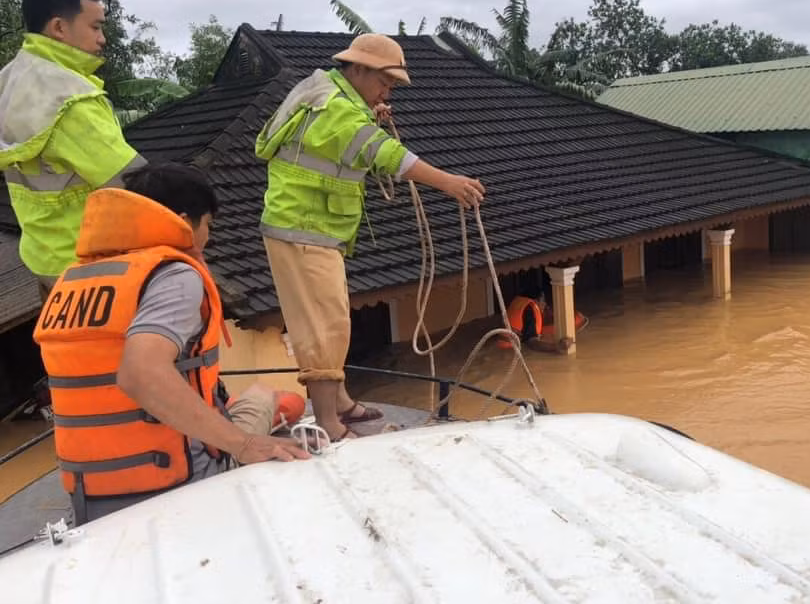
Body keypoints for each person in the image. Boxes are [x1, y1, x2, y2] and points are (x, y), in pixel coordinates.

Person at [33, 162, 309, 524]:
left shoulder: (75, 279)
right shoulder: (172, 275)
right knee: (271, 398)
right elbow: (141, 373)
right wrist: (244, 446)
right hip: (177, 482)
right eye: (207, 224)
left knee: (251, 399)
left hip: (90, 493)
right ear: (183, 221)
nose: (208, 236)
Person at [255, 33, 486, 442]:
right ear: (357, 69)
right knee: (324, 326)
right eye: (385, 81)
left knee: (334, 317)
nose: (387, 90)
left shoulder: (327, 94)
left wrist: (368, 113)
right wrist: (448, 182)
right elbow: (387, 155)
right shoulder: (340, 112)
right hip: (302, 227)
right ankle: (328, 423)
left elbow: (352, 143)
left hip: (312, 227)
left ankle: (340, 402)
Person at [0, 0, 145, 300]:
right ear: (60, 28)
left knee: (65, 352)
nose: (102, 39)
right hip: (93, 269)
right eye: (95, 26)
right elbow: (135, 183)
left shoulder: (11, 82)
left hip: (46, 261)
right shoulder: (70, 100)